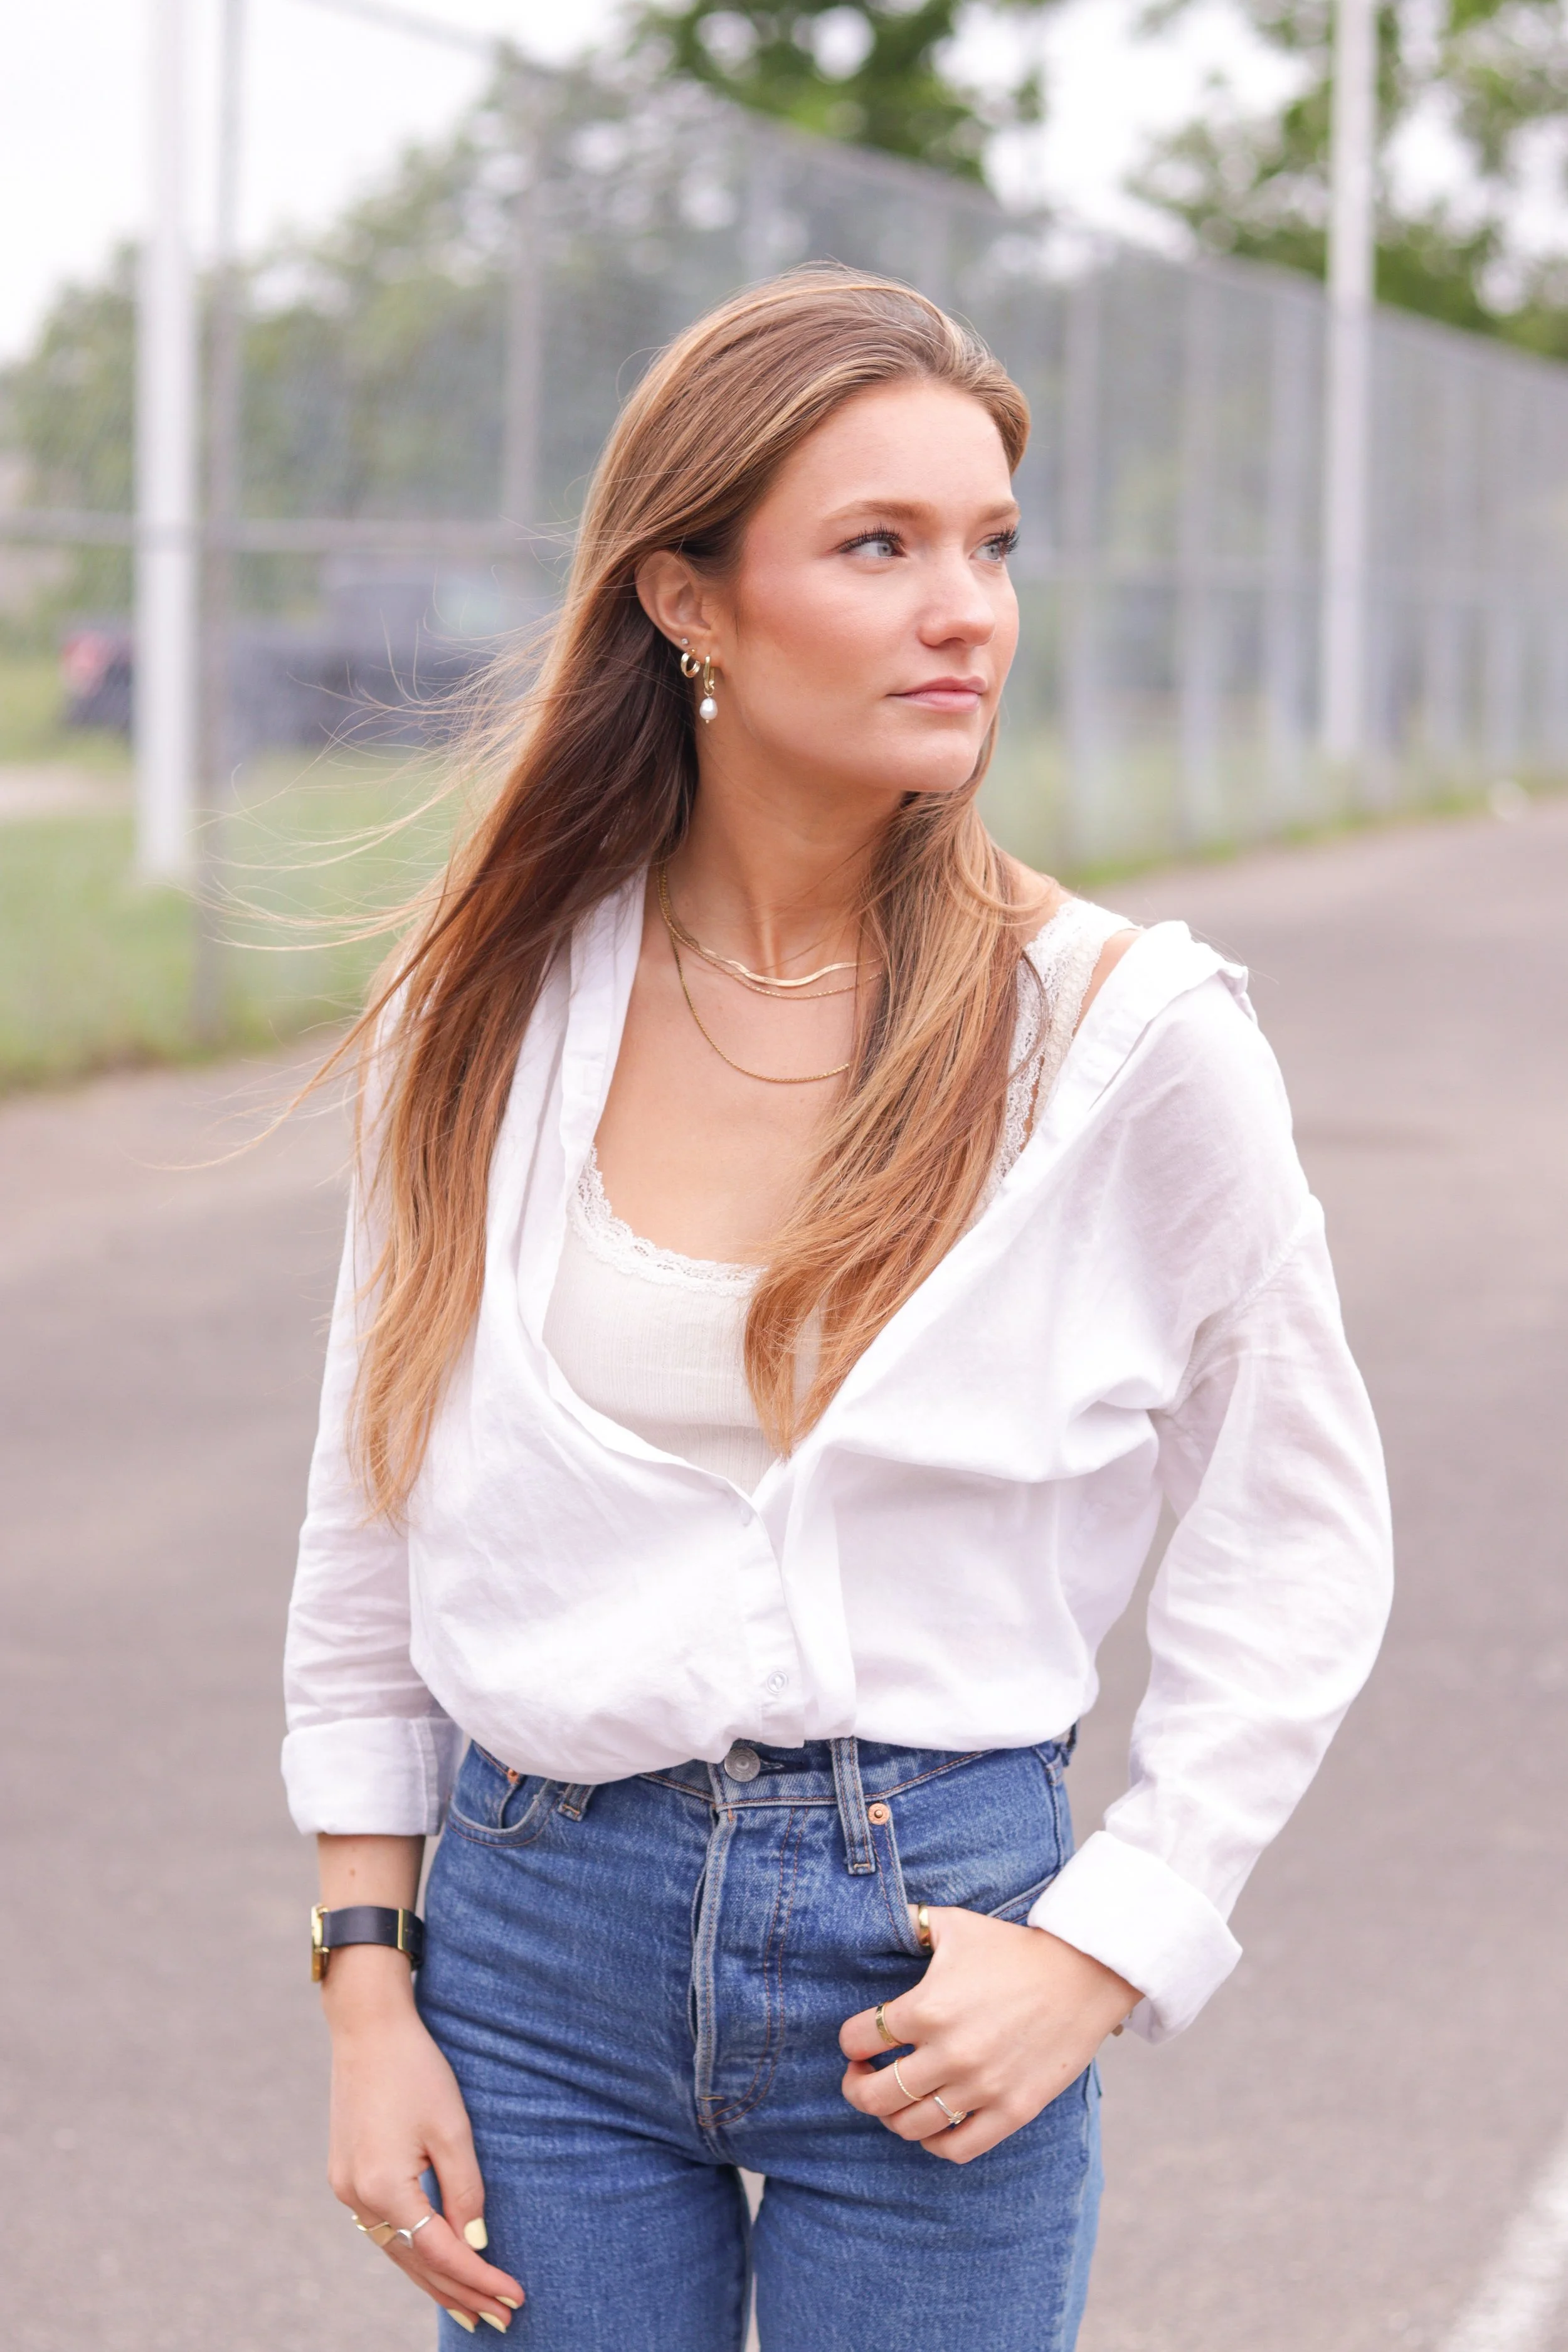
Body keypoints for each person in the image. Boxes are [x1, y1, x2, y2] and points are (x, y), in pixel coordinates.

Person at [282, 268, 1392, 2352]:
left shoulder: (1122, 1036)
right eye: (876, 547)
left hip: (941, 1941)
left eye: (986, 546)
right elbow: (376, 1511)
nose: (962, 608)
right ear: (685, 598)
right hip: (534, 1960)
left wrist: (1107, 1942)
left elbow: (1299, 1530)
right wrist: (369, 1985)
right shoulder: (489, 1010)